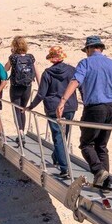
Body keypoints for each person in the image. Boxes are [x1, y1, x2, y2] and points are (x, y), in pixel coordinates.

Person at [56, 36, 112, 189]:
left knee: (86, 144)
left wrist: (63, 101)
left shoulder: (85, 63)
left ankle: (99, 171)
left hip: (94, 108)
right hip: (111, 108)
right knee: (102, 146)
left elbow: (75, 81)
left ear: (89, 49)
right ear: (101, 48)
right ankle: (105, 183)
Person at [28, 46, 77, 179]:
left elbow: (41, 94)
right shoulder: (72, 70)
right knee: (63, 136)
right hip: (70, 106)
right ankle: (57, 157)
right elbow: (80, 85)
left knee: (58, 136)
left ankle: (64, 168)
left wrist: (31, 106)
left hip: (53, 107)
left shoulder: (48, 73)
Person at [4, 36, 39, 140]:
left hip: (15, 87)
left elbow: (5, 68)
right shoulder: (31, 57)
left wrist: (12, 55)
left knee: (16, 109)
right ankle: (22, 131)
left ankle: (20, 131)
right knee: (23, 109)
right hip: (27, 87)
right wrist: (41, 87)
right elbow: (37, 73)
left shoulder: (13, 58)